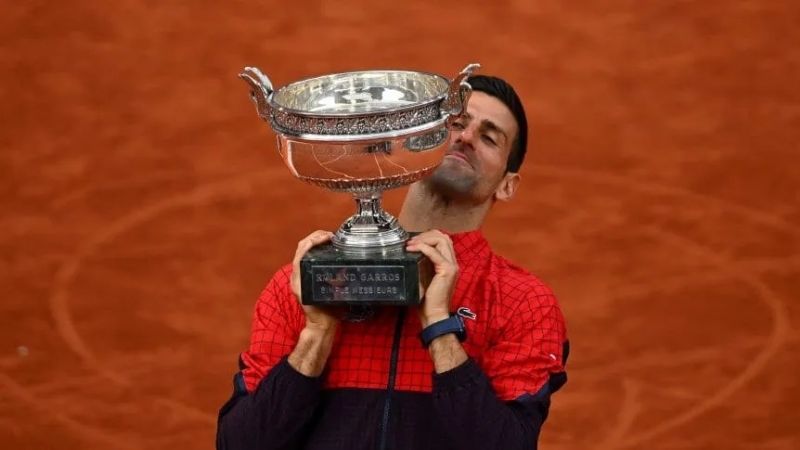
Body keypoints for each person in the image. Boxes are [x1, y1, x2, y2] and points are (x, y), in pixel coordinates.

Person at [216, 75, 569, 450]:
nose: (465, 138)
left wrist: (439, 327)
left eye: (489, 137)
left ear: (507, 184)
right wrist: (316, 335)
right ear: (415, 143)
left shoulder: (523, 303)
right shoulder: (304, 284)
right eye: (455, 123)